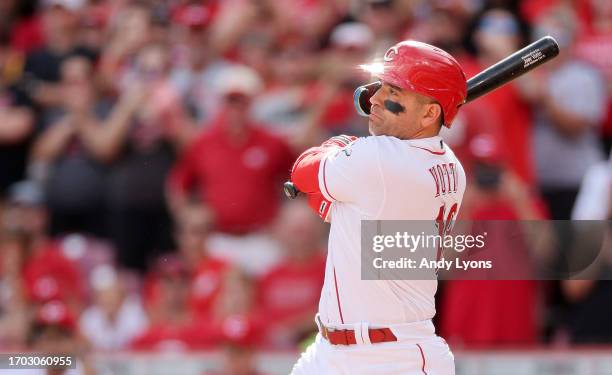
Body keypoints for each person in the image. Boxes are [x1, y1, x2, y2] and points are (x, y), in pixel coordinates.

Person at [289, 41, 467, 374]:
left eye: (394, 94)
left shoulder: (382, 158)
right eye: (382, 87)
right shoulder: (451, 164)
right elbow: (327, 205)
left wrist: (337, 144)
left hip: (391, 359)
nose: (374, 100)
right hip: (331, 353)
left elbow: (302, 172)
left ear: (430, 113)